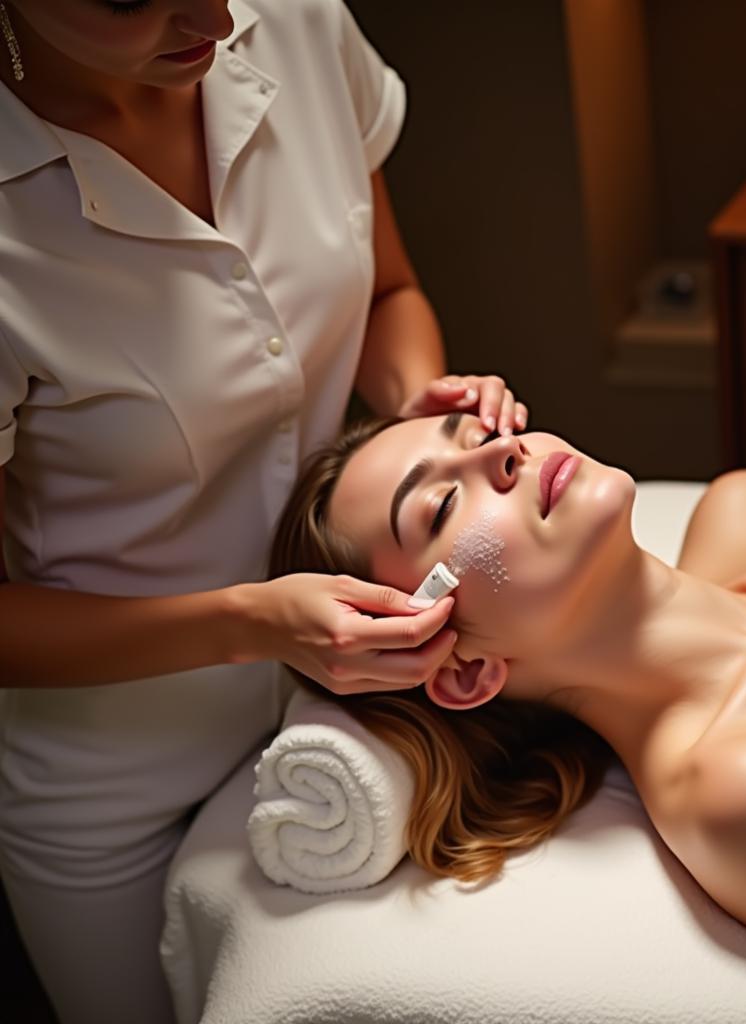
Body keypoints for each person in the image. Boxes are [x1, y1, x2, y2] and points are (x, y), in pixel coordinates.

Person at [0, 3, 528, 1021]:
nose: (216, 16)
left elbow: (388, 290)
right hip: (115, 776)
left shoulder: (290, 19)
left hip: (349, 713)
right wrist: (251, 623)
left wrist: (415, 406)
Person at [266, 411, 746, 982]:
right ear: (463, 668)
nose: (503, 452)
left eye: (473, 434)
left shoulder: (745, 505)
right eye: (438, 509)